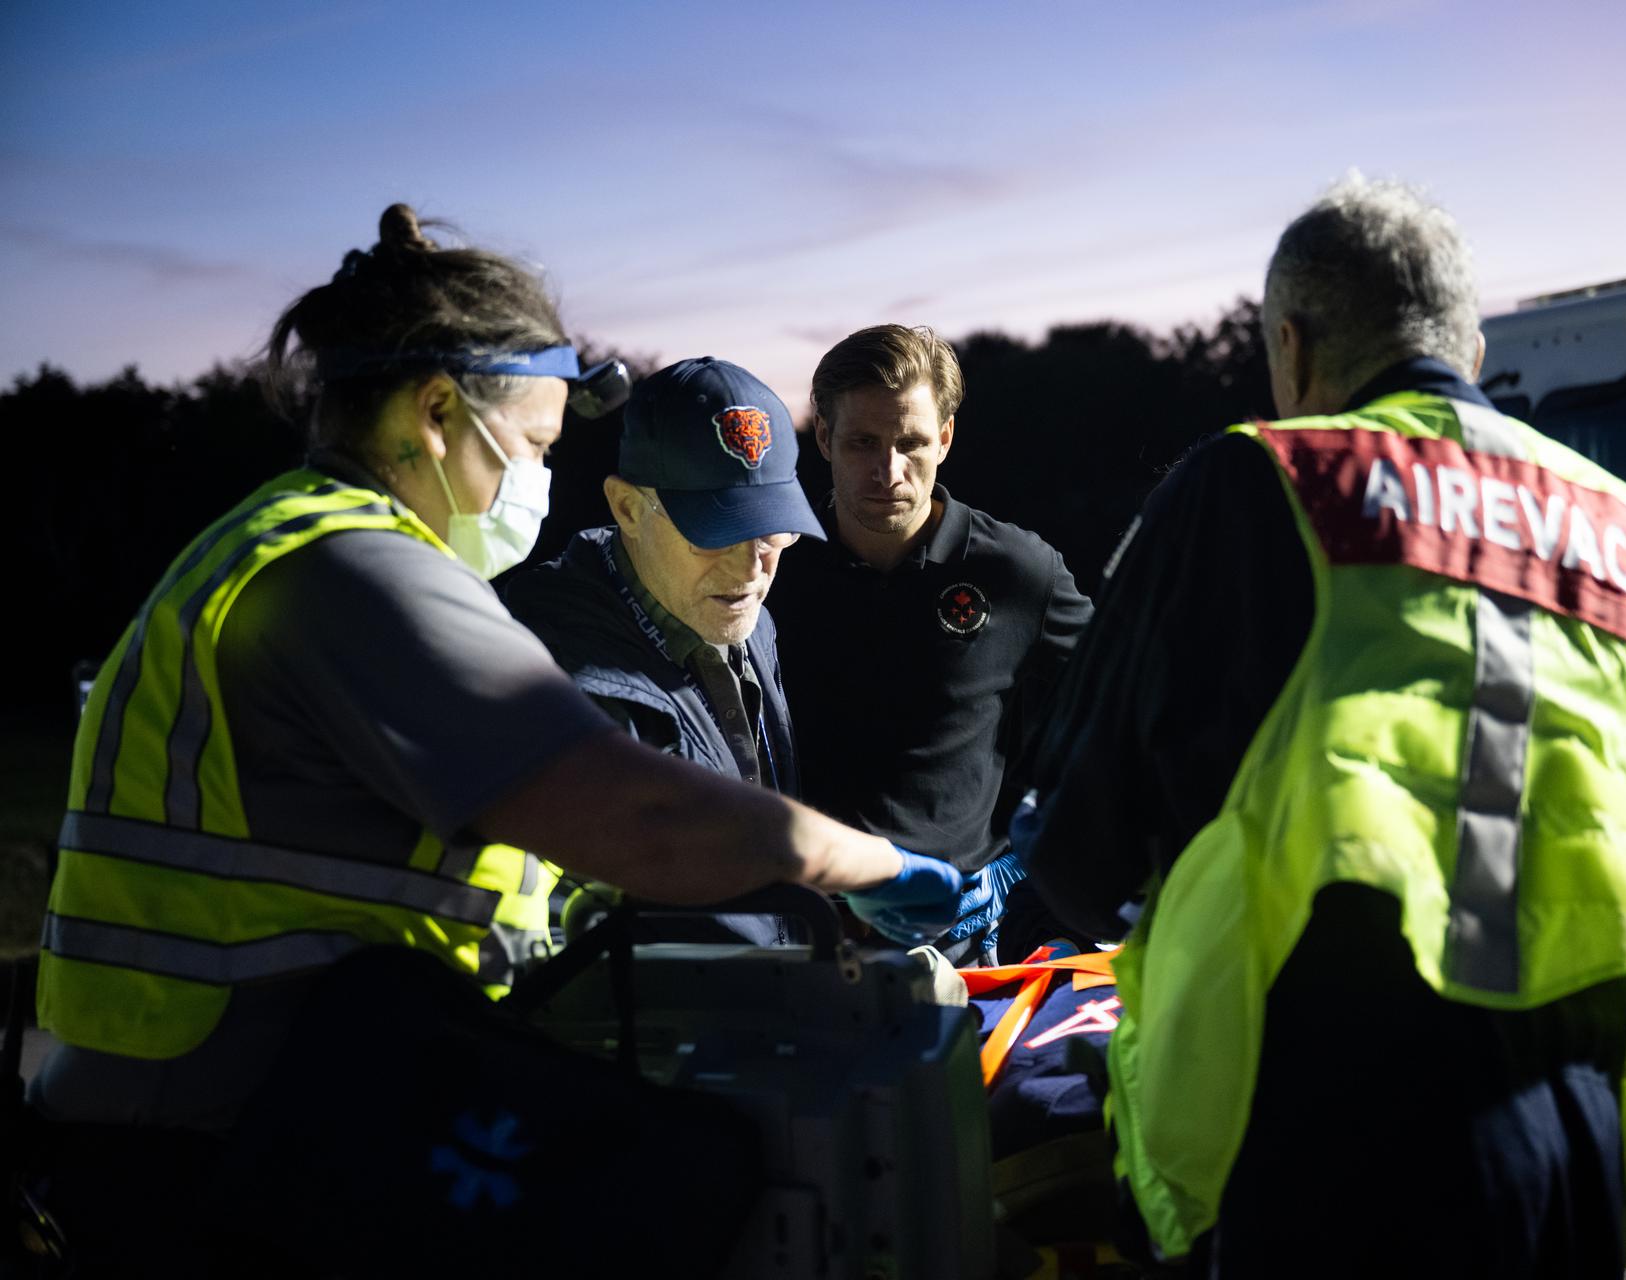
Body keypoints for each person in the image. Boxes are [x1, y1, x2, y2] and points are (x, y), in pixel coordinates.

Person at [30, 206, 962, 1274]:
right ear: (437, 412)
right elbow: (644, 818)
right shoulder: (352, 571)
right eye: (531, 445)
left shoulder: (288, 540)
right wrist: (877, 864)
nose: (539, 483)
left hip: (237, 1114)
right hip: (217, 1152)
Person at [1017, 177, 1626, 1276]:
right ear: (1470, 349)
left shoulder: (1260, 481)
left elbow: (1083, 852)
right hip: (1583, 1134)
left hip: (1329, 1140)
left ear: (1289, 344)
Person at [771, 324, 1093, 962]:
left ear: (944, 438)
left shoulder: (1019, 571)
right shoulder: (769, 566)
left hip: (963, 943)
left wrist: (1026, 869)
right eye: (863, 442)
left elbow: (1120, 716)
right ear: (825, 438)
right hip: (794, 934)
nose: (887, 470)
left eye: (911, 443)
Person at [506, 356, 823, 944]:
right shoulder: (539, 659)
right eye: (717, 532)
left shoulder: (750, 622)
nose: (751, 567)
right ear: (627, 507)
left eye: (774, 530)